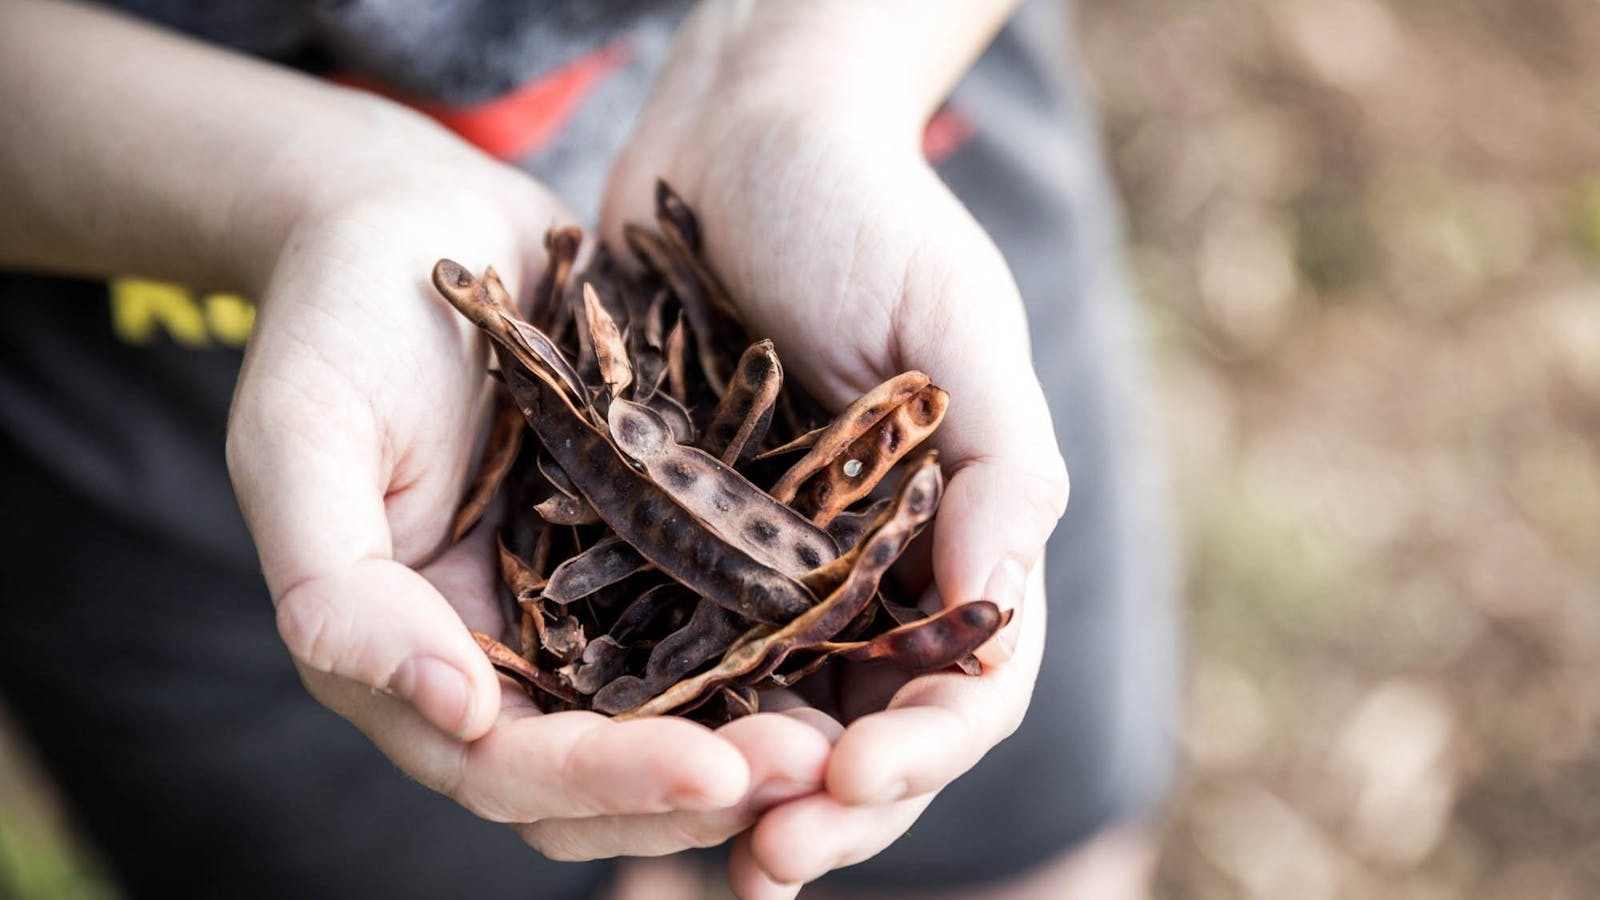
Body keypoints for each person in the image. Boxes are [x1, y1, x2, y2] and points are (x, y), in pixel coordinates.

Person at [0, 0, 1178, 897]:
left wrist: (806, 85)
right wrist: (312, 196)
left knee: (1018, 854)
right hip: (133, 316)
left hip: (874, 79)